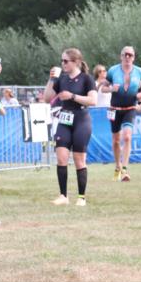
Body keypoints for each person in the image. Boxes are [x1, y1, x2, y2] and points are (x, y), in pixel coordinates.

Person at [44, 48, 98, 205]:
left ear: (76, 62)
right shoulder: (62, 79)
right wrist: (51, 79)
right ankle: (63, 196)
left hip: (81, 119)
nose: (63, 64)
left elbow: (93, 101)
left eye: (66, 61)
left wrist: (73, 96)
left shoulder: (86, 79)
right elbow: (47, 98)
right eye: (62, 61)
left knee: (79, 159)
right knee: (61, 158)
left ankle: (81, 197)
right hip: (64, 119)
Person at [104, 46, 141, 182]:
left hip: (130, 108)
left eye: (130, 55)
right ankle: (117, 166)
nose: (128, 57)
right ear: (121, 56)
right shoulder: (113, 70)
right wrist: (111, 88)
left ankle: (125, 170)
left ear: (134, 57)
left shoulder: (140, 71)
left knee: (128, 137)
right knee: (116, 141)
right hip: (114, 109)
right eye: (125, 55)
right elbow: (102, 88)